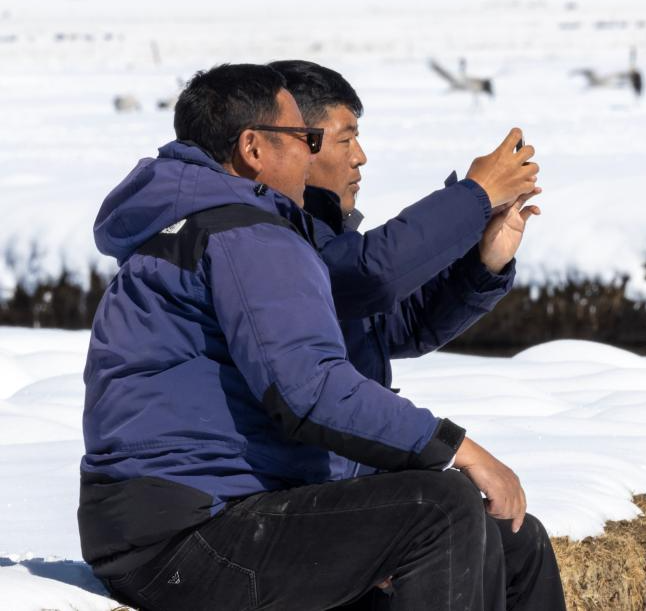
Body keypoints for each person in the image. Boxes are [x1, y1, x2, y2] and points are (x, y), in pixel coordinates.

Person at [79, 63, 561, 610]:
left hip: (162, 524)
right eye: (307, 139)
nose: (316, 156)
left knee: (505, 541)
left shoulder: (203, 222)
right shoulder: (244, 233)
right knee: (441, 506)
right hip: (186, 535)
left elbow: (349, 349)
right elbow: (310, 390)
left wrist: (481, 266)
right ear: (253, 149)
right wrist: (459, 448)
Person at [267, 60, 559, 609]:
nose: (361, 157)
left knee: (520, 543)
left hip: (347, 478)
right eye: (347, 137)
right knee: (451, 516)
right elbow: (369, 277)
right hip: (294, 495)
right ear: (298, 144)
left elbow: (395, 324)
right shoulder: (271, 236)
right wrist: (473, 196)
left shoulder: (323, 232)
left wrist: (483, 263)